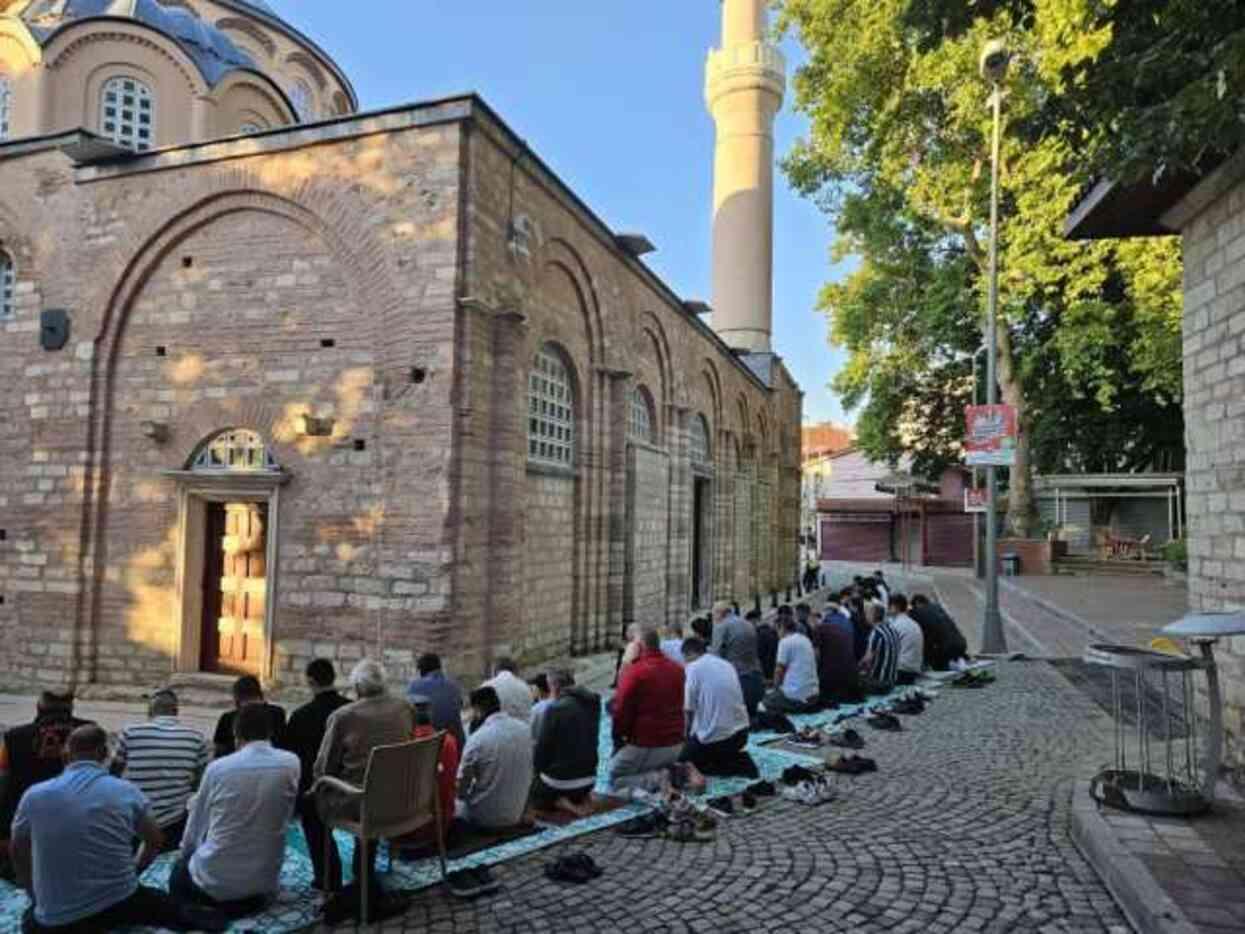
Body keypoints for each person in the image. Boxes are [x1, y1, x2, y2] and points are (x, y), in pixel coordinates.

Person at [12, 725, 214, 933]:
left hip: (57, 918)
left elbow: (18, 850)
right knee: (183, 912)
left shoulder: (34, 796)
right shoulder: (125, 790)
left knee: (30, 920)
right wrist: (135, 870)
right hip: (119, 902)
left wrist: (36, 895)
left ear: (66, 754)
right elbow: (154, 840)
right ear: (103, 753)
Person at [171, 703, 299, 920]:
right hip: (263, 883)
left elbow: (194, 829)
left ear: (235, 734)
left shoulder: (218, 768)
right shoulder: (291, 763)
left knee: (179, 872)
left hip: (213, 885)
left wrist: (186, 855)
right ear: (270, 732)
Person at [314, 659, 415, 910]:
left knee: (313, 805)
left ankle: (330, 882)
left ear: (357, 688)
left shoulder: (343, 717)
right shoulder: (405, 708)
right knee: (372, 787)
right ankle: (365, 877)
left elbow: (323, 769)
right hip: (404, 799)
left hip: (360, 804)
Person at [112, 689, 209, 850]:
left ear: (150, 712)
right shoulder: (196, 738)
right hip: (175, 822)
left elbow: (113, 774)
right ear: (176, 712)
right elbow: (201, 782)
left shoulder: (130, 733)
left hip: (135, 820)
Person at [0, 690, 88, 862]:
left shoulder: (15, 737)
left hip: (23, 827)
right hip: (75, 825)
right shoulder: (88, 733)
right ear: (71, 708)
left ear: (39, 707)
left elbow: (3, 781)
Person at [285, 659, 350, 891]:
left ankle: (327, 878)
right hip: (351, 788)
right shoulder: (351, 709)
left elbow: (292, 759)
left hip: (319, 793)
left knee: (312, 820)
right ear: (333, 678)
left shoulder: (301, 716)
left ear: (310, 681)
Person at [609, 628, 685, 792]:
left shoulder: (636, 672)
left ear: (638, 646)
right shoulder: (678, 669)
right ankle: (671, 772)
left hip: (646, 744)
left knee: (615, 779)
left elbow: (620, 708)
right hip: (676, 743)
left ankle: (655, 779)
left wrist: (625, 663)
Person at [456, 687, 533, 829]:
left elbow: (461, 787)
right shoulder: (525, 729)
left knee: (456, 806)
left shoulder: (477, 739)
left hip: (486, 817)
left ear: (477, 710)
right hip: (518, 810)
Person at [680, 638, 757, 778]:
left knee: (682, 761)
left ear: (688, 654)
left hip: (718, 740)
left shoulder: (693, 668)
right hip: (742, 734)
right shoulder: (726, 664)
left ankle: (738, 764)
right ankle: (732, 758)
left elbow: (688, 711)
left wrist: (685, 738)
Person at [532, 670, 601, 817]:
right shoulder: (593, 703)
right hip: (590, 779)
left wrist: (536, 772)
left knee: (533, 790)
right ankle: (583, 798)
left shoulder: (555, 709)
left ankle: (564, 803)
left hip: (560, 783)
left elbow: (542, 751)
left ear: (555, 688)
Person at [409, 695, 460, 845]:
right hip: (443, 825)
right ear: (431, 715)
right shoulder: (450, 741)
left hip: (408, 829)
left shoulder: (403, 745)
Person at [709, 600, 764, 718]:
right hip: (755, 677)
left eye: (713, 615)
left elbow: (715, 656)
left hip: (736, 679)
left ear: (720, 613)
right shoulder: (748, 624)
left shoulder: (722, 626)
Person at [212, 676, 286, 758]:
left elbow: (219, 753)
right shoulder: (277, 713)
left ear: (236, 697)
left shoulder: (227, 719)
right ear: (260, 693)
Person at [406, 653, 466, 750]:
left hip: (427, 747)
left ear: (421, 670)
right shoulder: (454, 687)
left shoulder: (414, 686)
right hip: (456, 747)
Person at [762, 616, 820, 713]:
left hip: (796, 697)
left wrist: (775, 689)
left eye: (777, 630)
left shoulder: (784, 642)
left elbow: (779, 670)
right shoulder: (806, 639)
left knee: (763, 703)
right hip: (814, 694)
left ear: (782, 628)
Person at [812, 607, 863, 705]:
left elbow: (816, 657)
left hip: (834, 679)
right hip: (852, 678)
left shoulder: (818, 629)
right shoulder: (839, 627)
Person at [910, 594, 970, 670]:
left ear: (917, 603)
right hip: (961, 645)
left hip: (945, 650)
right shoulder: (938, 608)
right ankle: (957, 664)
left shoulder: (918, 613)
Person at [860, 603, 900, 693]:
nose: (866, 616)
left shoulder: (876, 633)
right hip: (892, 681)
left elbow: (867, 659)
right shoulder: (892, 630)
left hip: (879, 683)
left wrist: (856, 667)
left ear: (874, 615)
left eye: (868, 613)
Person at [888, 594, 925, 685]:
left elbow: (889, 651)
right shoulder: (914, 623)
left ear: (894, 607)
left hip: (901, 671)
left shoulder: (895, 625)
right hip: (915, 669)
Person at [484, 658, 532, 724]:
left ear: (495, 671)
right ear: (515, 671)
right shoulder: (524, 687)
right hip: (524, 731)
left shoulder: (486, 686)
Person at [752, 608, 778, 683]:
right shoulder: (772, 632)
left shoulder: (759, 633)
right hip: (773, 666)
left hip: (765, 670)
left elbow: (759, 653)